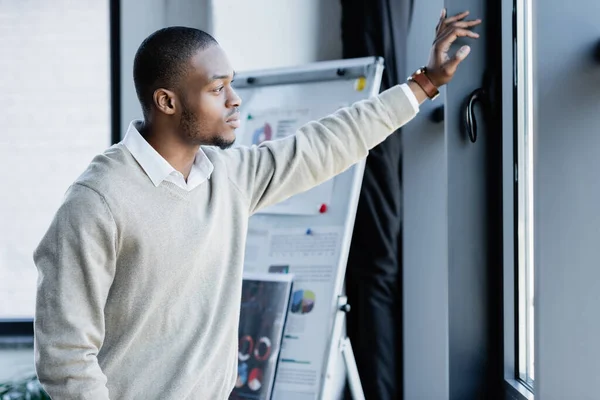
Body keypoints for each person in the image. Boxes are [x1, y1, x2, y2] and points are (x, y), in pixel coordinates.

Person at [33, 9, 480, 399]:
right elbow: (66, 355)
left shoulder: (228, 178)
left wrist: (423, 84)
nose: (234, 99)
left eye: (231, 84)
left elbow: (324, 144)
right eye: (217, 89)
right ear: (166, 101)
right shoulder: (97, 202)